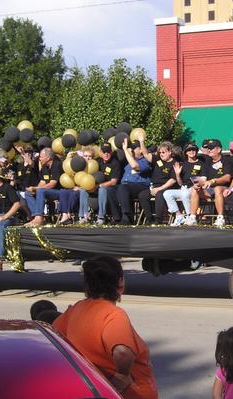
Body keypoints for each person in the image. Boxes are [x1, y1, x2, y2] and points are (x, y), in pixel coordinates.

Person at [53, 256, 158, 399]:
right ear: (120, 283)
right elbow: (122, 352)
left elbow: (53, 333)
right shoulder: (114, 315)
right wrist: (122, 376)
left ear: (87, 286)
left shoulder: (76, 309)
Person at [185, 139, 232, 227]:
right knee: (195, 189)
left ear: (219, 149)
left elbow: (227, 178)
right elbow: (204, 178)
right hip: (209, 189)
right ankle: (192, 217)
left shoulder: (226, 160)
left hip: (224, 188)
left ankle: (221, 218)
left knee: (217, 189)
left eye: (212, 148)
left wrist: (213, 181)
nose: (209, 150)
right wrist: (198, 183)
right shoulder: (207, 162)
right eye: (208, 148)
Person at [108, 140, 151, 224]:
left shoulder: (145, 161)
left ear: (141, 150)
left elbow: (135, 166)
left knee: (123, 187)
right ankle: (117, 218)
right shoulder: (127, 164)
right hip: (126, 187)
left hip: (141, 185)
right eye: (131, 149)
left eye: (134, 149)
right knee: (111, 190)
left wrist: (125, 150)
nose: (131, 151)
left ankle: (127, 216)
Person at [163, 142, 206, 226]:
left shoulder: (201, 164)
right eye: (189, 150)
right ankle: (179, 215)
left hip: (195, 189)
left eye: (193, 149)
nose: (191, 151)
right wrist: (177, 174)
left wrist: (197, 183)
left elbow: (204, 179)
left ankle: (190, 216)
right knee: (167, 193)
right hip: (184, 188)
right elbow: (180, 183)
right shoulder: (183, 164)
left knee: (185, 193)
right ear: (186, 152)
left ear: (196, 151)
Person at [79, 143, 121, 225]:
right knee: (83, 190)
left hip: (109, 188)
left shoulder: (115, 163)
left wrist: (98, 186)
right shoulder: (96, 161)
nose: (106, 154)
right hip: (95, 186)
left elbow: (114, 181)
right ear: (101, 152)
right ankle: (84, 216)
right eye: (104, 152)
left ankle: (101, 217)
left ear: (111, 152)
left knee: (102, 190)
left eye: (108, 152)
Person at [138, 136, 176, 224]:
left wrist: (160, 188)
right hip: (154, 186)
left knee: (159, 195)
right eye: (160, 152)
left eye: (163, 152)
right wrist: (141, 142)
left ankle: (158, 219)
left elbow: (173, 180)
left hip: (166, 188)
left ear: (170, 152)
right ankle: (149, 218)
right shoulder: (157, 159)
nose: (161, 154)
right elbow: (146, 154)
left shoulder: (174, 163)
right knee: (142, 195)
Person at [25, 148, 63, 226]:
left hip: (59, 191)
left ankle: (39, 218)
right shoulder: (44, 167)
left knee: (40, 191)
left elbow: (52, 184)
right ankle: (37, 217)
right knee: (28, 193)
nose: (39, 159)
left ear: (48, 158)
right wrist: (33, 190)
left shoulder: (57, 165)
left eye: (41, 157)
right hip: (46, 191)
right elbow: (42, 183)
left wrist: (36, 189)